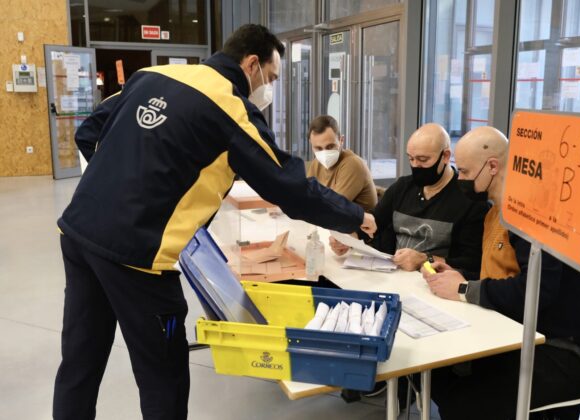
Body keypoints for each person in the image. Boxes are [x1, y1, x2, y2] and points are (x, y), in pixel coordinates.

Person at [53, 24, 376, 420]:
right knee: (164, 375)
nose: (268, 89)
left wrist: (114, 190)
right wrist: (356, 215)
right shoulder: (230, 108)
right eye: (271, 78)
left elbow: (89, 133)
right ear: (252, 64)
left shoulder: (155, 76)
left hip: (79, 234)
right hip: (140, 262)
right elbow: (290, 187)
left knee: (79, 361)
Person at [422, 126, 580, 419]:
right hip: (520, 333)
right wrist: (459, 274)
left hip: (560, 350)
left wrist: (463, 290)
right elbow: (502, 273)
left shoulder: (531, 214)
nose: (461, 179)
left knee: (460, 399)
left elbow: (536, 290)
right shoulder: (497, 210)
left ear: (492, 166)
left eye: (466, 172)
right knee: (437, 374)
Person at [331, 123, 486, 273]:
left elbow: (471, 263)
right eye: (411, 159)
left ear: (445, 156)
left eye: (423, 160)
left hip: (436, 283)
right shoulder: (402, 187)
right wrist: (348, 238)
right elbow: (374, 222)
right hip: (394, 275)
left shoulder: (469, 200)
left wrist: (425, 259)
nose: (415, 165)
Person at [306, 115, 377, 212]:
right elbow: (306, 197)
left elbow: (332, 207)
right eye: (318, 148)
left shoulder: (353, 164)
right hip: (329, 224)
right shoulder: (316, 164)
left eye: (330, 146)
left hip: (358, 226)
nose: (324, 153)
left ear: (341, 140)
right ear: (311, 144)